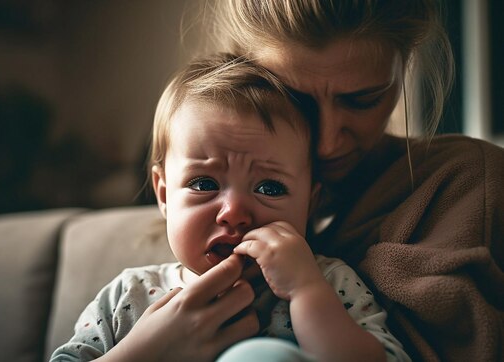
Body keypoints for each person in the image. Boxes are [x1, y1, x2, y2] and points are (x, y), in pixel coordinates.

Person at [51, 53, 411, 361]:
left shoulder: (329, 283)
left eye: (270, 187)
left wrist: (306, 291)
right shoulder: (128, 295)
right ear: (163, 195)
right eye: (204, 184)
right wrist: (142, 352)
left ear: (309, 204)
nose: (235, 212)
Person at [202, 1, 504, 360]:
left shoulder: (466, 182)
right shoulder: (209, 217)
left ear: (404, 66)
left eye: (363, 100)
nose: (329, 144)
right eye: (296, 101)